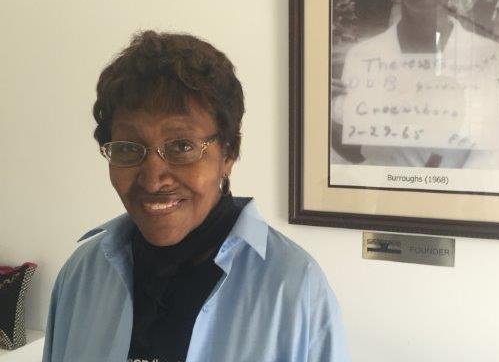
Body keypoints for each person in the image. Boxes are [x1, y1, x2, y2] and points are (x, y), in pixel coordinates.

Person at [43, 31, 350, 361]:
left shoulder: (294, 288)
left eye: (182, 146)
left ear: (228, 153)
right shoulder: (81, 276)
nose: (153, 178)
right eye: (129, 148)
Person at [332, 0, 499, 171]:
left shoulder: (492, 57)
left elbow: (495, 148)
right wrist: (321, 112)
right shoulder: (362, 58)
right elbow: (360, 153)